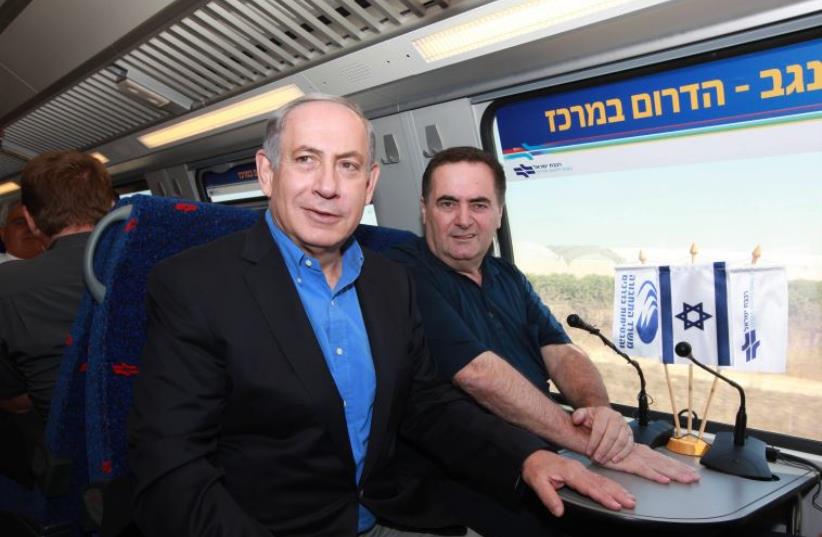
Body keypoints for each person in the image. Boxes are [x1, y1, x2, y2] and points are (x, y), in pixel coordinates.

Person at [128, 95, 636, 537]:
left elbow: (428, 406)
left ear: (370, 184)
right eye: (306, 160)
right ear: (267, 171)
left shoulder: (389, 284)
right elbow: (174, 469)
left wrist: (528, 455)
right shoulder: (195, 286)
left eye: (348, 166)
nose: (329, 186)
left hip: (388, 515)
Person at [384, 146, 700, 489]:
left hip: (547, 445)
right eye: (448, 204)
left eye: (479, 204)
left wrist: (600, 413)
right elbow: (478, 374)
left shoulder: (508, 275)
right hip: (470, 472)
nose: (463, 219)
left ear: (499, 214)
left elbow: (562, 352)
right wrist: (594, 444)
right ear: (424, 210)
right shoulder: (402, 273)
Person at [0, 150, 114, 482]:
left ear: (31, 219)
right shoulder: (162, 263)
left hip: (75, 461)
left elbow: (15, 401)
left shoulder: (7, 287)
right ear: (110, 204)